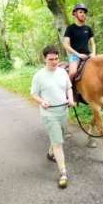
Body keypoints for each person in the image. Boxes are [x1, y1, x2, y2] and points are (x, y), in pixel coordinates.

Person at [30, 46, 74, 188]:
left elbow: (68, 87)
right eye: (50, 59)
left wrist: (70, 98)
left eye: (56, 59)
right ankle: (63, 173)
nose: (54, 62)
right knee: (58, 143)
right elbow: (34, 94)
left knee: (58, 137)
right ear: (44, 59)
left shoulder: (62, 72)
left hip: (63, 111)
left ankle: (50, 152)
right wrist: (42, 101)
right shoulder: (39, 76)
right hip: (49, 114)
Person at [63, 2, 96, 82]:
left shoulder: (88, 28)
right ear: (75, 13)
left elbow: (92, 43)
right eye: (80, 12)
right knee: (72, 73)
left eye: (84, 13)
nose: (83, 14)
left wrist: (93, 53)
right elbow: (65, 45)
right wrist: (78, 54)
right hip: (75, 56)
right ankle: (68, 91)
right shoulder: (70, 28)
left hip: (87, 55)